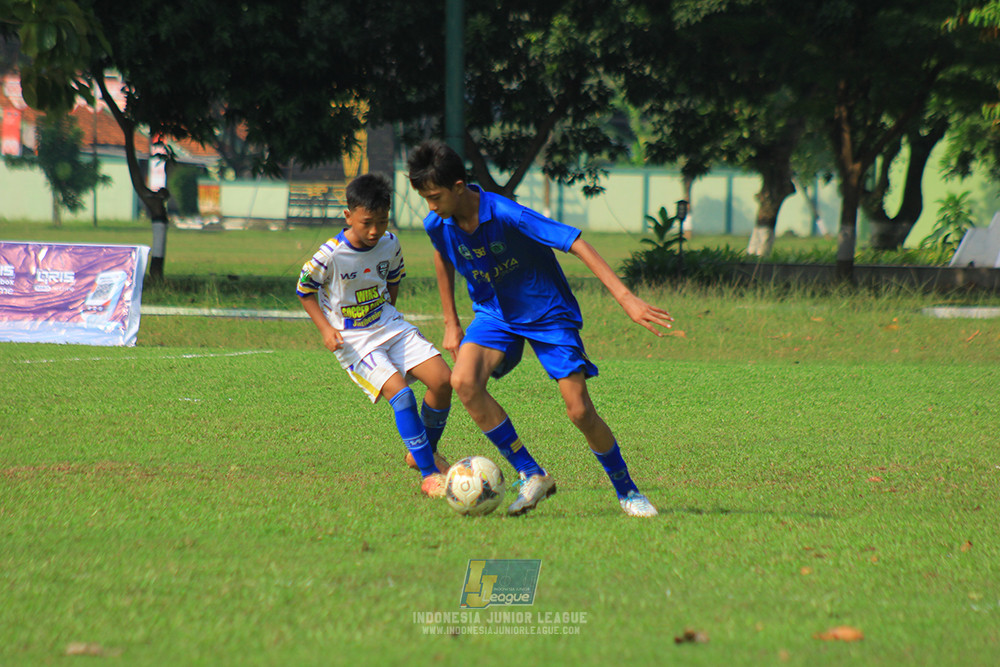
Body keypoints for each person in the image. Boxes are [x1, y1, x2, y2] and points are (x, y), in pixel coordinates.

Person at [407, 141, 673, 517]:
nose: (431, 206)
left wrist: (626, 298)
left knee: (579, 411)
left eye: (435, 197)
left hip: (547, 312)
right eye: (425, 198)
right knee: (464, 382)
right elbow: (442, 255)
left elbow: (575, 242)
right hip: (494, 314)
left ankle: (627, 491)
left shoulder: (506, 213)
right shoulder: (438, 223)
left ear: (459, 186)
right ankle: (532, 473)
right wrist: (451, 322)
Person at [297, 173, 452, 498]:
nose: (374, 231)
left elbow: (393, 278)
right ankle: (429, 474)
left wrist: (388, 312)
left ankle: (423, 452)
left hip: (388, 324)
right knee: (402, 396)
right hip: (353, 339)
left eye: (381, 222)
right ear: (348, 216)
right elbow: (304, 290)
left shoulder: (390, 243)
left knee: (442, 380)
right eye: (367, 223)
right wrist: (326, 329)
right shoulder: (330, 254)